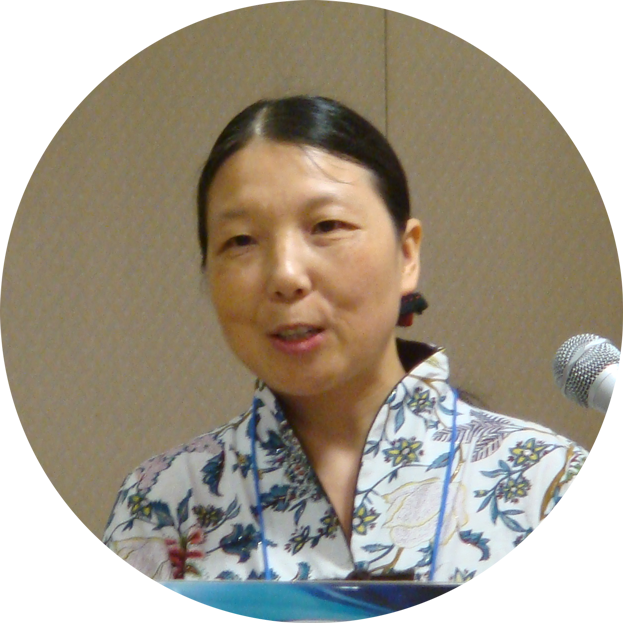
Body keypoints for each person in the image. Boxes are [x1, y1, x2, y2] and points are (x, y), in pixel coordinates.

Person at [94, 96, 622, 584]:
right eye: (241, 240)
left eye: (326, 226)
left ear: (407, 254)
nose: (285, 275)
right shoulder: (164, 502)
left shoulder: (545, 482)